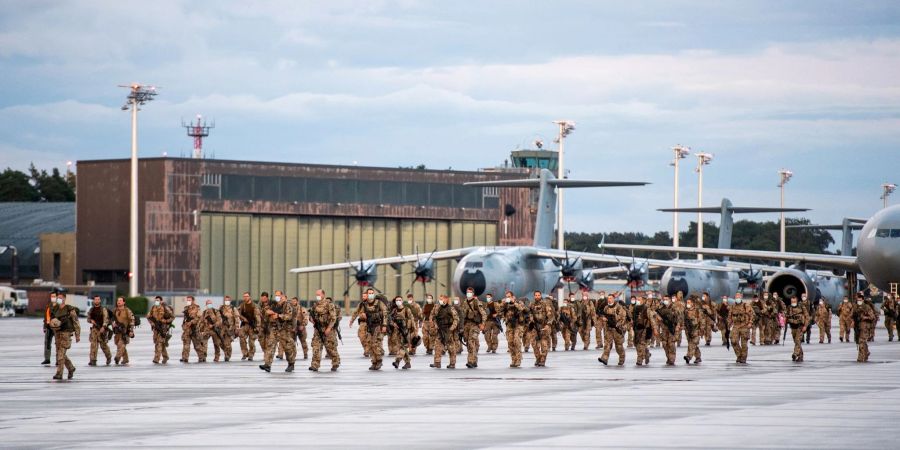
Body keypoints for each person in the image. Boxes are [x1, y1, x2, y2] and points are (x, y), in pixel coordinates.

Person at [260, 291, 296, 373]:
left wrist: (279, 315)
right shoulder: (273, 304)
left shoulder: (287, 305)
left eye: (278, 295)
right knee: (270, 346)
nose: (277, 297)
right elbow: (265, 313)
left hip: (284, 329)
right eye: (276, 295)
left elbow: (289, 316)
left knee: (287, 348)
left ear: (282, 296)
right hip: (274, 328)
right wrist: (268, 312)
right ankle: (267, 364)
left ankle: (291, 364)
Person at [49, 293, 80, 380]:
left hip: (66, 334)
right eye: (57, 298)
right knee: (60, 354)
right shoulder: (55, 309)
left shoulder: (69, 309)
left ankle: (59, 373)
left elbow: (76, 322)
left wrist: (77, 335)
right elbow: (52, 320)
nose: (59, 299)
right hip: (57, 333)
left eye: (61, 298)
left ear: (65, 299)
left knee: (61, 354)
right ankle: (71, 368)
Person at [309, 290, 340, 372]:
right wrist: (311, 319)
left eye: (319, 294)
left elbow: (333, 318)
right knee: (316, 347)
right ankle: (315, 365)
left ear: (323, 294)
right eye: (316, 294)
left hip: (328, 330)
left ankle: (335, 363)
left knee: (331, 348)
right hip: (318, 330)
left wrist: (329, 328)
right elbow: (311, 316)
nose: (317, 296)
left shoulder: (329, 305)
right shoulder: (315, 305)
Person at [430, 294, 459, 369]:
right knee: (437, 346)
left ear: (446, 299)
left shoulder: (450, 308)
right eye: (440, 299)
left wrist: (452, 328)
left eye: (442, 299)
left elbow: (456, 319)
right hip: (440, 329)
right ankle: (437, 362)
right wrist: (435, 324)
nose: (440, 300)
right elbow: (433, 317)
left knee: (451, 347)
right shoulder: (437, 307)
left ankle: (452, 363)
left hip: (448, 330)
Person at [362, 289, 388, 370]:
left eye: (372, 293)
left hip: (378, 325)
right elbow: (361, 313)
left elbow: (385, 313)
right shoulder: (365, 304)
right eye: (369, 293)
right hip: (369, 326)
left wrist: (384, 325)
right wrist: (362, 315)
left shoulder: (379, 303)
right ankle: (374, 362)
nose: (370, 294)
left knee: (375, 344)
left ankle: (379, 360)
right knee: (370, 345)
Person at [461, 287, 486, 368]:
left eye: (470, 292)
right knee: (468, 343)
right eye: (467, 292)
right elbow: (462, 314)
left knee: (471, 342)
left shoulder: (476, 302)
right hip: (466, 325)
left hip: (475, 325)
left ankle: (471, 361)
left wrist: (483, 324)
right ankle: (474, 361)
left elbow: (483, 314)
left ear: (473, 293)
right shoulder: (464, 302)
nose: (468, 293)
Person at [501, 291, 528, 368]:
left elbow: (522, 309)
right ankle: (513, 359)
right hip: (509, 325)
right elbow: (499, 311)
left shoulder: (519, 303)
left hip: (518, 325)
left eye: (509, 296)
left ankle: (518, 359)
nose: (508, 298)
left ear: (513, 297)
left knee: (516, 341)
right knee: (510, 343)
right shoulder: (506, 304)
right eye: (507, 296)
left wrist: (514, 302)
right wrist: (502, 303)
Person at [598, 294, 626, 366]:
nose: (609, 299)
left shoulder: (619, 307)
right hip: (608, 329)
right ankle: (604, 358)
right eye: (608, 298)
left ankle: (622, 358)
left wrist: (617, 324)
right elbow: (603, 316)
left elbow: (623, 318)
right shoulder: (606, 308)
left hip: (617, 329)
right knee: (607, 345)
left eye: (611, 298)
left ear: (614, 299)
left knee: (618, 346)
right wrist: (603, 319)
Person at [389, 296, 416, 369]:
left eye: (399, 300)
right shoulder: (394, 310)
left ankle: (397, 361)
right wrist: (393, 324)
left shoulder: (407, 310)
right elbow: (390, 319)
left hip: (406, 331)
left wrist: (414, 332)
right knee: (401, 347)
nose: (398, 301)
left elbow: (412, 320)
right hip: (397, 332)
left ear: (402, 300)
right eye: (397, 300)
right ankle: (408, 363)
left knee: (403, 347)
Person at [530, 291, 555, 367]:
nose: (537, 296)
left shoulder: (545, 304)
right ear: (534, 296)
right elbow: (529, 314)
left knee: (544, 344)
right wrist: (531, 322)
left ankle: (542, 360)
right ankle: (538, 358)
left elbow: (550, 315)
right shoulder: (532, 304)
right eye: (536, 295)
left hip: (544, 326)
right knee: (534, 344)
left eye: (538, 295)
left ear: (540, 295)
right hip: (535, 326)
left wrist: (548, 325)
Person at [147, 296, 174, 364]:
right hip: (155, 329)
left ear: (161, 301)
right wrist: (152, 323)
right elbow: (148, 317)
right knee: (159, 343)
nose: (156, 301)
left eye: (158, 300)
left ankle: (156, 359)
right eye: (155, 300)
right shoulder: (153, 308)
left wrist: (165, 321)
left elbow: (172, 317)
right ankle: (165, 356)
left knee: (159, 343)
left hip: (163, 328)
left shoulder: (165, 308)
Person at [87, 295, 112, 366]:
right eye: (95, 299)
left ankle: (109, 357)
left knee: (103, 345)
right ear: (94, 301)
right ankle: (93, 360)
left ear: (100, 301)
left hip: (102, 329)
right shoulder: (91, 309)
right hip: (94, 329)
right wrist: (91, 321)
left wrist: (103, 327)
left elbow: (106, 318)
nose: (97, 301)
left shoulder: (103, 309)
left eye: (98, 299)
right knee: (93, 345)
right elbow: (88, 318)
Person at [729, 293, 754, 364]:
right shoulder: (732, 306)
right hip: (736, 326)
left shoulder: (746, 305)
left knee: (744, 344)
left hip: (744, 326)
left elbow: (752, 315)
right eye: (736, 296)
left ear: (741, 297)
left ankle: (743, 358)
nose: (737, 298)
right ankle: (739, 355)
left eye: (739, 296)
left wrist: (750, 323)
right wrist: (729, 324)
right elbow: (730, 316)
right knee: (733, 341)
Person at [181, 295, 205, 363]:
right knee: (186, 345)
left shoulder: (197, 308)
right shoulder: (186, 308)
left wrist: (191, 322)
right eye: (187, 300)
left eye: (189, 300)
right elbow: (185, 319)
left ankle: (201, 357)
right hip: (187, 329)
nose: (188, 301)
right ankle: (185, 358)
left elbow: (199, 317)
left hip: (194, 328)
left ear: (193, 301)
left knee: (197, 345)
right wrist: (184, 325)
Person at [111, 296, 135, 365]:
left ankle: (117, 358)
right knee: (119, 345)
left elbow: (132, 320)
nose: (118, 302)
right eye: (118, 300)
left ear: (124, 302)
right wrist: (112, 324)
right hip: (117, 331)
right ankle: (125, 359)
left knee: (120, 345)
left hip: (125, 331)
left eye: (120, 300)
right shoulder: (115, 310)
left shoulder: (127, 310)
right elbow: (111, 318)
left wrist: (131, 330)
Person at [786, 295, 810, 362]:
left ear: (796, 300)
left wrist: (805, 326)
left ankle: (795, 354)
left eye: (794, 301)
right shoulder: (789, 308)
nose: (793, 302)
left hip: (800, 327)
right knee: (797, 342)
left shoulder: (801, 307)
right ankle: (800, 356)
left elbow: (807, 317)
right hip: (793, 327)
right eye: (792, 301)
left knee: (797, 340)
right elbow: (787, 316)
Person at [656, 296, 679, 365]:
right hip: (664, 329)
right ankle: (668, 357)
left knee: (671, 344)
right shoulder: (661, 308)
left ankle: (672, 359)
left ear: (670, 300)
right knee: (664, 344)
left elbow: (679, 318)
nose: (665, 300)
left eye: (667, 299)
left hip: (672, 328)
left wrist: (677, 327)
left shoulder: (674, 308)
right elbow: (657, 317)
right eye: (664, 299)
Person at [853, 294, 877, 362]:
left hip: (865, 327)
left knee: (861, 341)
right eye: (858, 300)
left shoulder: (866, 307)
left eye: (860, 300)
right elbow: (852, 315)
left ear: (863, 300)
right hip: (858, 327)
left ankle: (860, 357)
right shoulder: (855, 307)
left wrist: (864, 317)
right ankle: (866, 352)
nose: (859, 301)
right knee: (860, 342)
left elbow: (872, 317)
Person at [238, 292, 260, 361]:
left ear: (250, 297)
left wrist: (258, 326)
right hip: (245, 324)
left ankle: (251, 354)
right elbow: (238, 313)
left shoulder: (254, 305)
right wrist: (243, 318)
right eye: (244, 296)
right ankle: (245, 353)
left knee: (251, 341)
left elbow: (258, 317)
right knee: (241, 338)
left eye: (247, 296)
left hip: (252, 325)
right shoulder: (242, 305)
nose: (245, 298)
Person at [683, 296, 704, 364]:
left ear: (692, 303)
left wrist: (702, 329)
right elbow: (683, 320)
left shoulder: (697, 311)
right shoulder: (685, 311)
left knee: (692, 344)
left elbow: (702, 320)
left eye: (689, 302)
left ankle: (688, 357)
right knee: (692, 344)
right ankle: (698, 357)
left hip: (696, 330)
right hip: (688, 331)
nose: (687, 304)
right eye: (687, 302)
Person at [632, 295, 652, 366]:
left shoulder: (646, 308)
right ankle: (647, 354)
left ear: (643, 300)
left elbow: (651, 319)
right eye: (637, 299)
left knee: (641, 344)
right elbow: (633, 318)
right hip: (636, 329)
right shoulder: (635, 308)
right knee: (636, 343)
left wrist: (654, 329)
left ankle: (639, 359)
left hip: (644, 329)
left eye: (639, 299)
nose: (637, 301)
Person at [349, 292, 371, 357]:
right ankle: (366, 349)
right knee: (361, 336)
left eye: (365, 296)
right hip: (362, 323)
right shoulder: (361, 304)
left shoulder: (372, 304)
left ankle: (367, 350)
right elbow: (356, 312)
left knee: (369, 338)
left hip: (370, 323)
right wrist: (351, 321)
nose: (363, 297)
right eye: (363, 296)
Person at [219, 295, 240, 362]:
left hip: (230, 327)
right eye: (226, 300)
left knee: (227, 343)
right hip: (222, 327)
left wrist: (237, 327)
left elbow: (237, 318)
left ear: (230, 301)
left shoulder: (233, 308)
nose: (227, 301)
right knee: (220, 342)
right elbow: (218, 316)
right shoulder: (221, 308)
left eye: (228, 300)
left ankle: (227, 355)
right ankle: (226, 352)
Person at [42, 291, 58, 365]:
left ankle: (58, 359)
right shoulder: (48, 306)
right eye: (52, 296)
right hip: (48, 327)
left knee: (58, 344)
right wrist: (44, 326)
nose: (53, 298)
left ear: (57, 297)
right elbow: (46, 317)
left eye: (54, 296)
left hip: (57, 328)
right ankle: (47, 359)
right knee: (47, 343)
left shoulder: (59, 306)